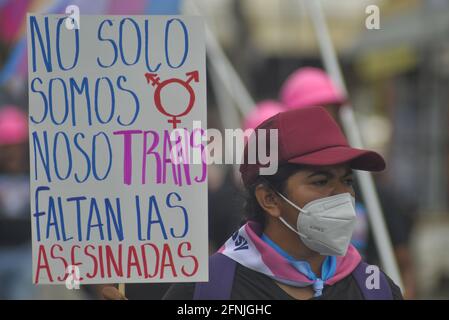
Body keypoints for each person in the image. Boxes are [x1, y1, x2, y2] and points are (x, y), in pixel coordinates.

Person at [103, 106, 403, 300]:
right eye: (321, 181)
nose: (342, 196)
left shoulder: (375, 289)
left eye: (347, 181)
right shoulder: (208, 291)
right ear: (269, 199)